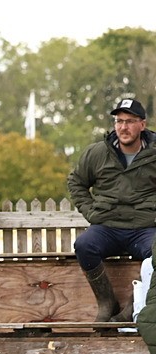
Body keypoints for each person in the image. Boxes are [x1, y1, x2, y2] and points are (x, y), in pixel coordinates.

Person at [67, 98, 156, 322]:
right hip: (107, 226)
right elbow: (76, 182)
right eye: (119, 121)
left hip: (145, 228)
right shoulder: (97, 153)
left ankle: (133, 306)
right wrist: (91, 212)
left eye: (130, 121)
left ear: (142, 125)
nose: (123, 127)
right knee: (84, 245)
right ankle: (106, 302)